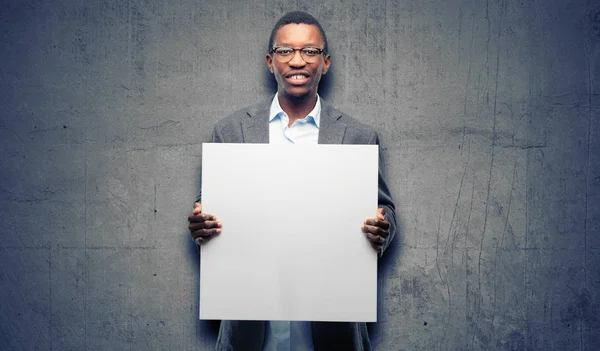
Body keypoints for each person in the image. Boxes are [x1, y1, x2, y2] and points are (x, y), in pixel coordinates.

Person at [188, 11, 397, 351]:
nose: (297, 60)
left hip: (333, 324)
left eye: (309, 51)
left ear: (325, 62)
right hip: (250, 325)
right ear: (270, 61)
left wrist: (382, 228)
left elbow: (384, 208)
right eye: (285, 51)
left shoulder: (358, 135)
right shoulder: (231, 131)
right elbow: (207, 206)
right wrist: (201, 223)